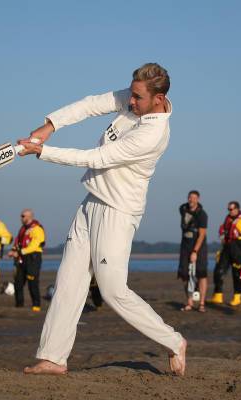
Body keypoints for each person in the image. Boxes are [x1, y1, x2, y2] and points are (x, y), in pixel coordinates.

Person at [18, 63, 186, 376]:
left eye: (137, 98)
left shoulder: (152, 134)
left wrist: (43, 152)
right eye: (130, 94)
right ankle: (53, 358)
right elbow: (91, 104)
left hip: (118, 210)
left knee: (112, 291)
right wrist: (50, 125)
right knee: (69, 279)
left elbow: (95, 158)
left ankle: (174, 341)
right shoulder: (136, 99)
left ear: (159, 99)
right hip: (91, 200)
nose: (130, 102)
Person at [211, 201, 241, 306]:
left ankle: (237, 297)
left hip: (239, 247)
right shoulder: (228, 219)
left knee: (237, 274)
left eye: (231, 209)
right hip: (227, 248)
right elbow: (223, 230)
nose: (229, 211)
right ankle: (218, 296)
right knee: (218, 271)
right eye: (228, 209)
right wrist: (221, 236)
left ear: (237, 209)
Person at [8, 209, 46, 312]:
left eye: (23, 216)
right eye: (21, 216)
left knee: (32, 283)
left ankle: (36, 305)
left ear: (29, 216)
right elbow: (17, 241)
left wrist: (19, 252)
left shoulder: (37, 229)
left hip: (32, 259)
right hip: (21, 260)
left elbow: (34, 245)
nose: (21, 218)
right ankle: (19, 304)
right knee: (18, 283)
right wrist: (13, 250)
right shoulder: (22, 229)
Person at [178, 190, 208, 313]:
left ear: (198, 199)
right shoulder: (182, 209)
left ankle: (201, 303)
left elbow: (202, 234)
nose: (191, 200)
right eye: (190, 197)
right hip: (185, 245)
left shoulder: (202, 214)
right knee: (184, 274)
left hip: (199, 247)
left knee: (201, 274)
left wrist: (195, 251)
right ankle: (189, 302)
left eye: (194, 198)